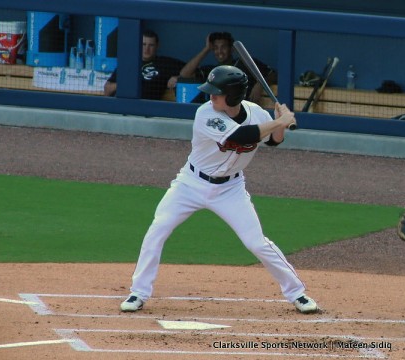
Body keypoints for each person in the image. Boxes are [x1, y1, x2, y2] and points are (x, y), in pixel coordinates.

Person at [120, 65, 319, 314]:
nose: (210, 96)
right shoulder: (205, 114)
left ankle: (297, 293)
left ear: (233, 95)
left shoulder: (257, 113)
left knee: (257, 243)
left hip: (231, 189)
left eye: (217, 92)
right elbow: (241, 136)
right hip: (190, 184)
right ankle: (138, 292)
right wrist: (279, 121)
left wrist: (280, 123)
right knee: (158, 229)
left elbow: (274, 141)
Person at [179, 32, 277, 104]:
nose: (219, 51)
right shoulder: (212, 70)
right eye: (216, 48)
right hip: (216, 113)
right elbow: (185, 74)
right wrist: (207, 49)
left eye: (223, 47)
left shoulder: (244, 63)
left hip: (241, 110)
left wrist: (260, 84)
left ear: (232, 49)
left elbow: (273, 74)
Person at [104, 29, 185, 100]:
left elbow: (192, 71)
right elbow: (107, 90)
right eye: (143, 44)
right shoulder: (128, 63)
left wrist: (178, 78)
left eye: (151, 45)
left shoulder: (164, 63)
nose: (147, 49)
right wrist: (126, 84)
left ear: (157, 46)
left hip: (148, 107)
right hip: (125, 104)